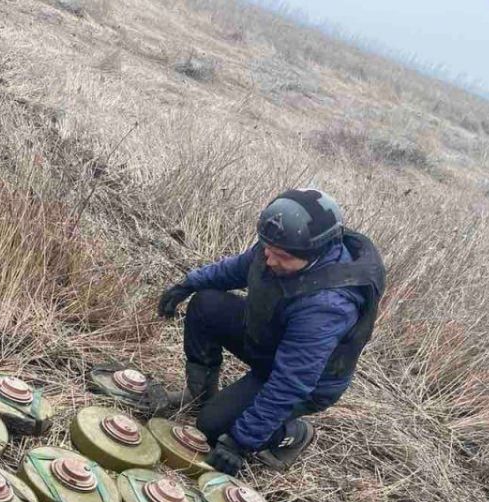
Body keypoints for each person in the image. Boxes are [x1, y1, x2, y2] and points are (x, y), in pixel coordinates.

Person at [156, 188, 385, 476]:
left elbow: (291, 382)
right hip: (272, 341)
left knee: (211, 428)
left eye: (282, 257)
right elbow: (238, 268)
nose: (270, 260)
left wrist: (241, 441)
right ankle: (200, 393)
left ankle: (294, 434)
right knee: (206, 302)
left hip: (308, 382)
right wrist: (189, 284)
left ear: (315, 253)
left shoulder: (327, 305)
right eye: (267, 250)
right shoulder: (279, 246)